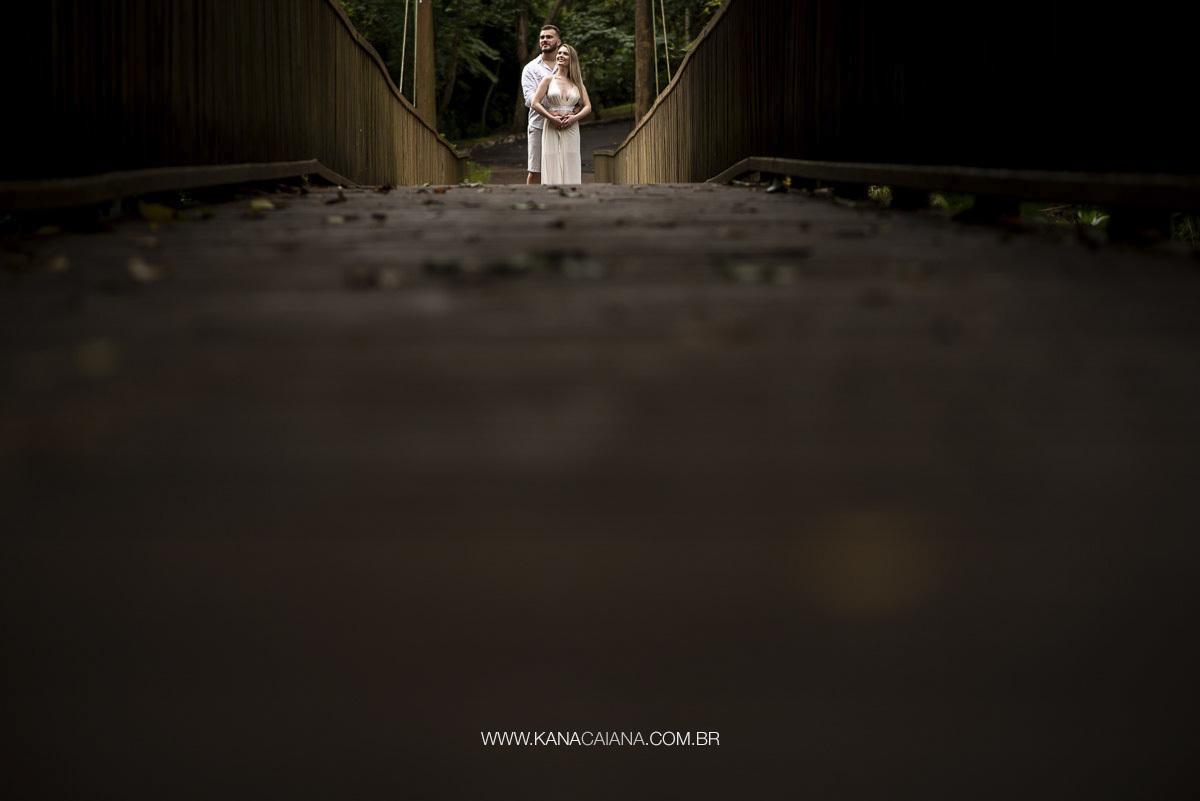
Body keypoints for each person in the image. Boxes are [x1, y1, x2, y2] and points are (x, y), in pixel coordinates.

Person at [529, 44, 591, 186]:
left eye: (565, 54)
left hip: (572, 127)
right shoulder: (548, 80)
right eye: (559, 53)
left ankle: (572, 195)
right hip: (551, 125)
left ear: (572, 59)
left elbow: (588, 106)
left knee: (571, 160)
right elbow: (535, 103)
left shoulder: (577, 83)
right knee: (551, 160)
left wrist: (574, 117)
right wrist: (551, 117)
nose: (561, 55)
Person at [521, 26, 562, 185]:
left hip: (563, 125)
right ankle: (531, 205)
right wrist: (551, 115)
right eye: (542, 37)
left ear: (558, 41)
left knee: (560, 169)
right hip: (538, 125)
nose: (544, 40)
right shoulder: (530, 68)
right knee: (535, 171)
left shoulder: (567, 65)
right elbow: (530, 99)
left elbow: (577, 94)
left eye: (549, 37)